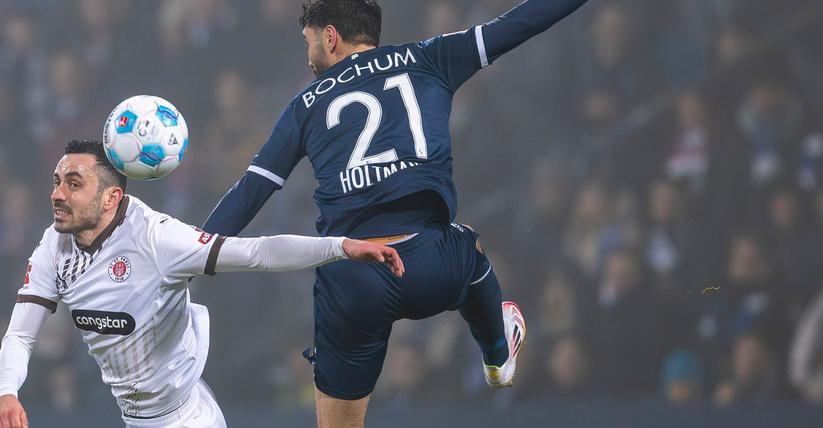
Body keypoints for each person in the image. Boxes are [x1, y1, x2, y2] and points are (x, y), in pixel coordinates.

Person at [202, 0, 588, 425]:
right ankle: (497, 354)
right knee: (470, 247)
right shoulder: (429, 57)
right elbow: (520, 23)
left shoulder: (305, 104)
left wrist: (189, 253)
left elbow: (251, 191)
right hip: (433, 265)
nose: (309, 54)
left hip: (352, 282)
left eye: (309, 42)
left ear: (329, 37)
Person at [0, 140, 404, 428]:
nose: (58, 194)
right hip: (135, 416)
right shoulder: (54, 244)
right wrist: (5, 391)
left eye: (73, 184)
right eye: (56, 182)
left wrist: (340, 246)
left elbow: (258, 253)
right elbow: (21, 334)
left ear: (112, 198)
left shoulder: (158, 239)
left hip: (184, 418)